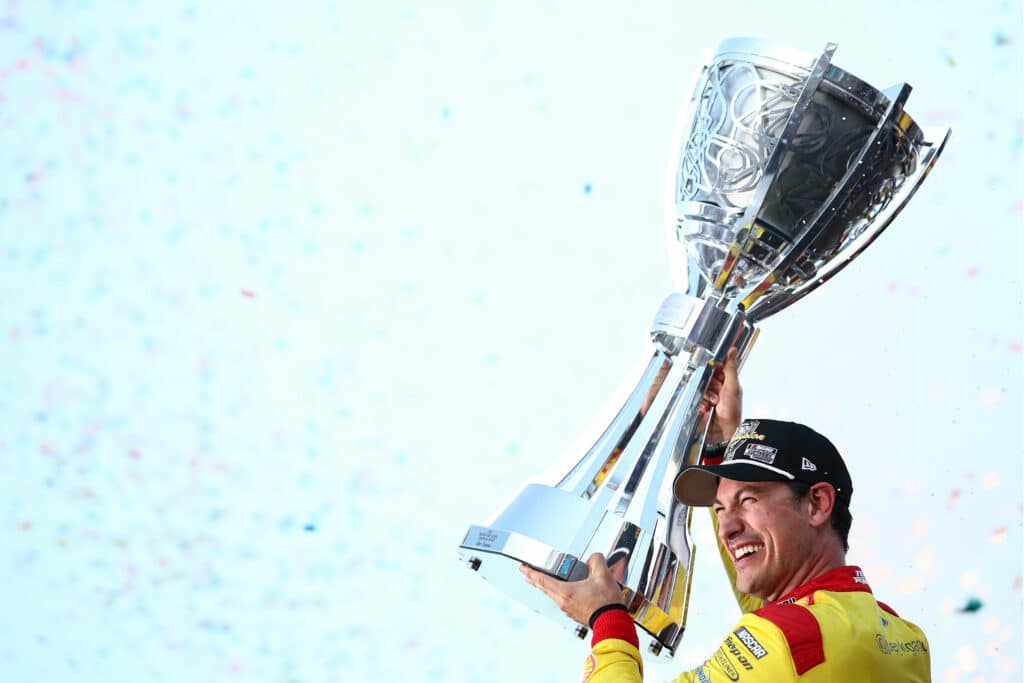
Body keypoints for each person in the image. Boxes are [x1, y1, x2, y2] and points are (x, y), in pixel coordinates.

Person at [521, 350, 931, 681]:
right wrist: (721, 446)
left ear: (818, 504)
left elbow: (780, 640)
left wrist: (605, 619)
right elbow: (775, 614)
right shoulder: (901, 636)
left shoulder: (787, 641)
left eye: (749, 501)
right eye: (719, 508)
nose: (727, 527)